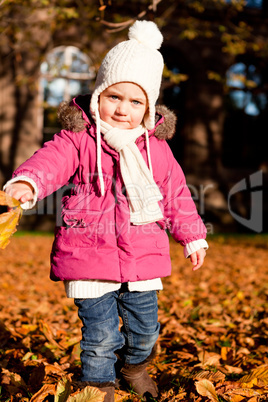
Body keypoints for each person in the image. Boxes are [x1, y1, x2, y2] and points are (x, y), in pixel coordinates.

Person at [4, 20, 208, 402]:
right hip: (88, 252)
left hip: (142, 256)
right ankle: (98, 386)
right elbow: (50, 161)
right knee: (99, 337)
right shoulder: (79, 139)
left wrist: (193, 235)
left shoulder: (156, 150)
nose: (121, 109)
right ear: (98, 94)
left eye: (135, 102)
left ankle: (135, 365)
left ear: (148, 107)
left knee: (146, 330)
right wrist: (27, 182)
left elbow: (176, 193)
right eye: (114, 97)